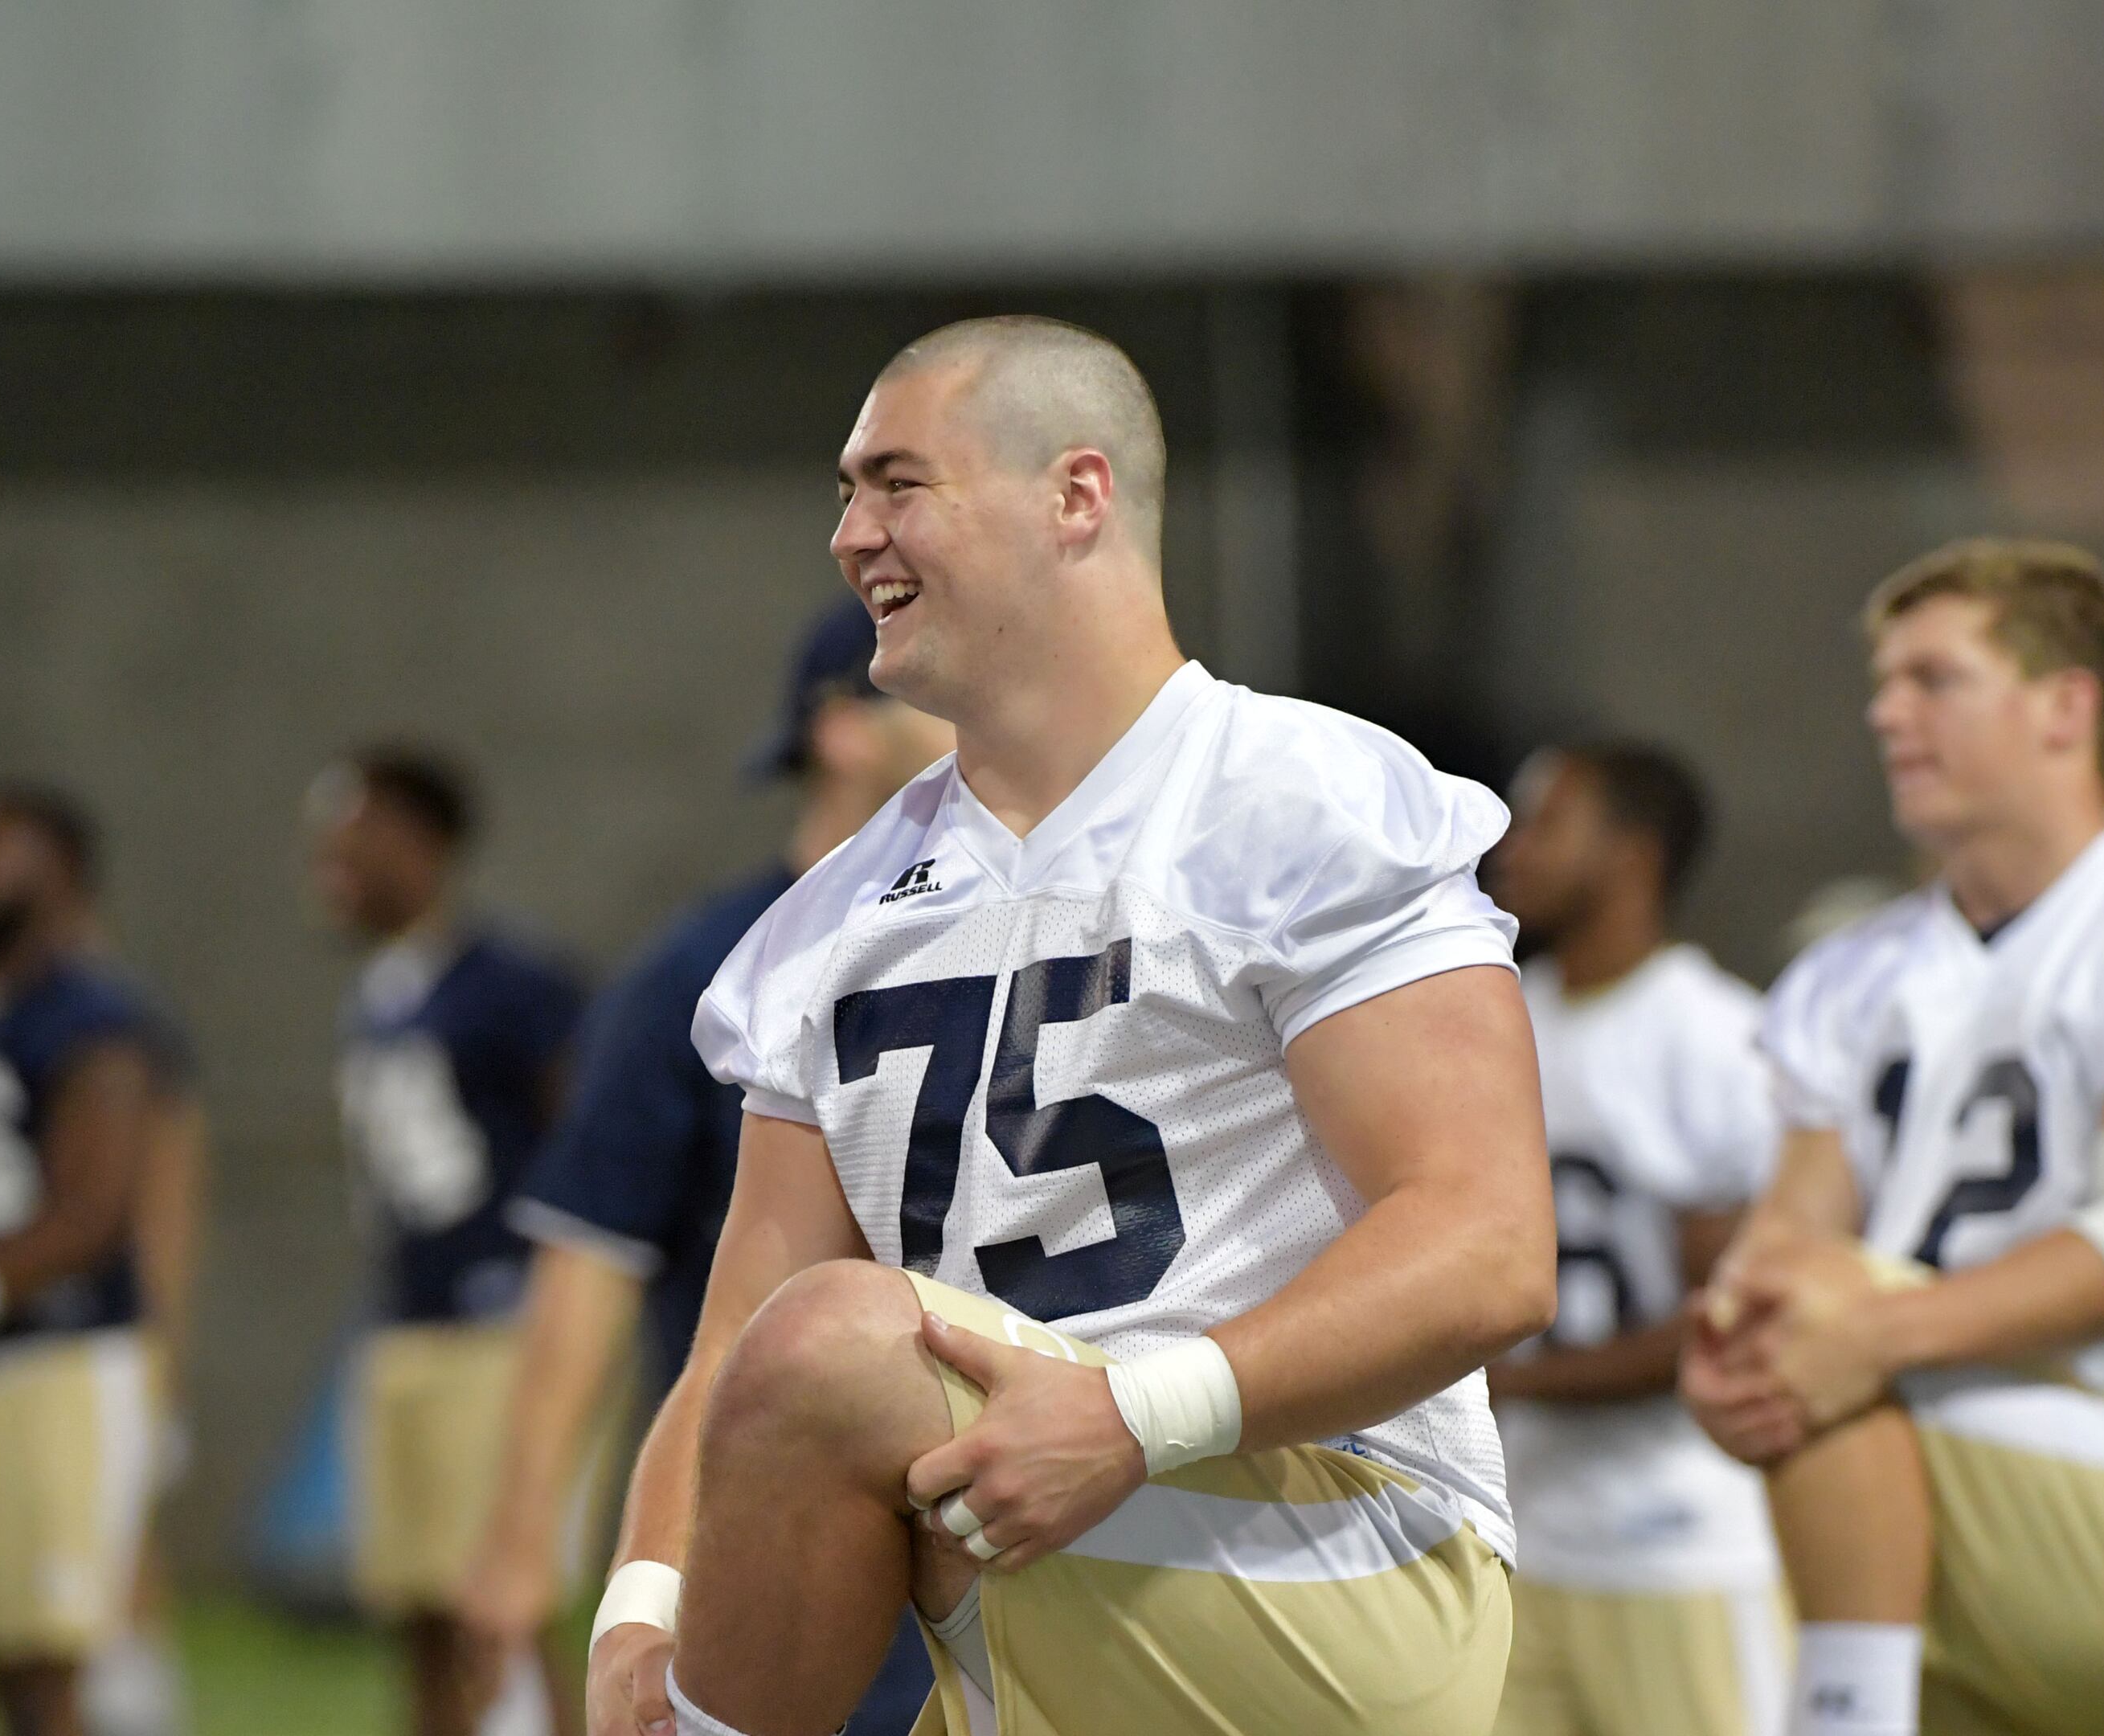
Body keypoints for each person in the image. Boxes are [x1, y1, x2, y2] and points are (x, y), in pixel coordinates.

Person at [586, 315, 1557, 1736]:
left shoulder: (1303, 800)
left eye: (899, 482)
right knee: (804, 1353)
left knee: (842, 1350)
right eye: (846, 493)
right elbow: (734, 1337)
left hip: (1318, 1545)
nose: (854, 536)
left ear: (1077, 496)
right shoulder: (823, 924)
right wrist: (645, 1605)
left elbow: (1488, 1246)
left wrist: (1134, 1416)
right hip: (1014, 1582)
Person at [1683, 541, 2104, 1736]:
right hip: (1917, 1479)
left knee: (1822, 1314)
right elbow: (1780, 1255)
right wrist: (1728, 1361)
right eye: (1884, 682)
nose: (1887, 712)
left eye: (1935, 679)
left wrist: (1869, 1333)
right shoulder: (1849, 975)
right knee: (1788, 1303)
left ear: (2067, 705)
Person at [457, 604, 955, 1736]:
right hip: (784, 1516)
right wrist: (525, 1531)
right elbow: (591, 1257)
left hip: (990, 1516)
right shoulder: (704, 970)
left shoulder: (1017, 931)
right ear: (842, 730)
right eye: (932, 694)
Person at [1484, 741, 1788, 1736]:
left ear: (1633, 854)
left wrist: (1507, 1385)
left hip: (1678, 1542)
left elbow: (1725, 1321)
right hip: (1521, 1534)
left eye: (1547, 821)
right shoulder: (1500, 1021)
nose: (1513, 848)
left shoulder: (1715, 1039)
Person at [311, 745, 587, 1736]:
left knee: (496, 1608)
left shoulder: (512, 984)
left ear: (424, 842)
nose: (330, 866)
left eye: (356, 840)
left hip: (498, 1324)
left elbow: (581, 1137)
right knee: (415, 1607)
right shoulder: (378, 992)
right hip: (407, 1318)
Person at [0, 780, 183, 1736]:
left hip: (58, 1361)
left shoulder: (93, 1015)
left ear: (55, 871)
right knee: (2, 1653)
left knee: (56, 1660)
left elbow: (90, 1216)